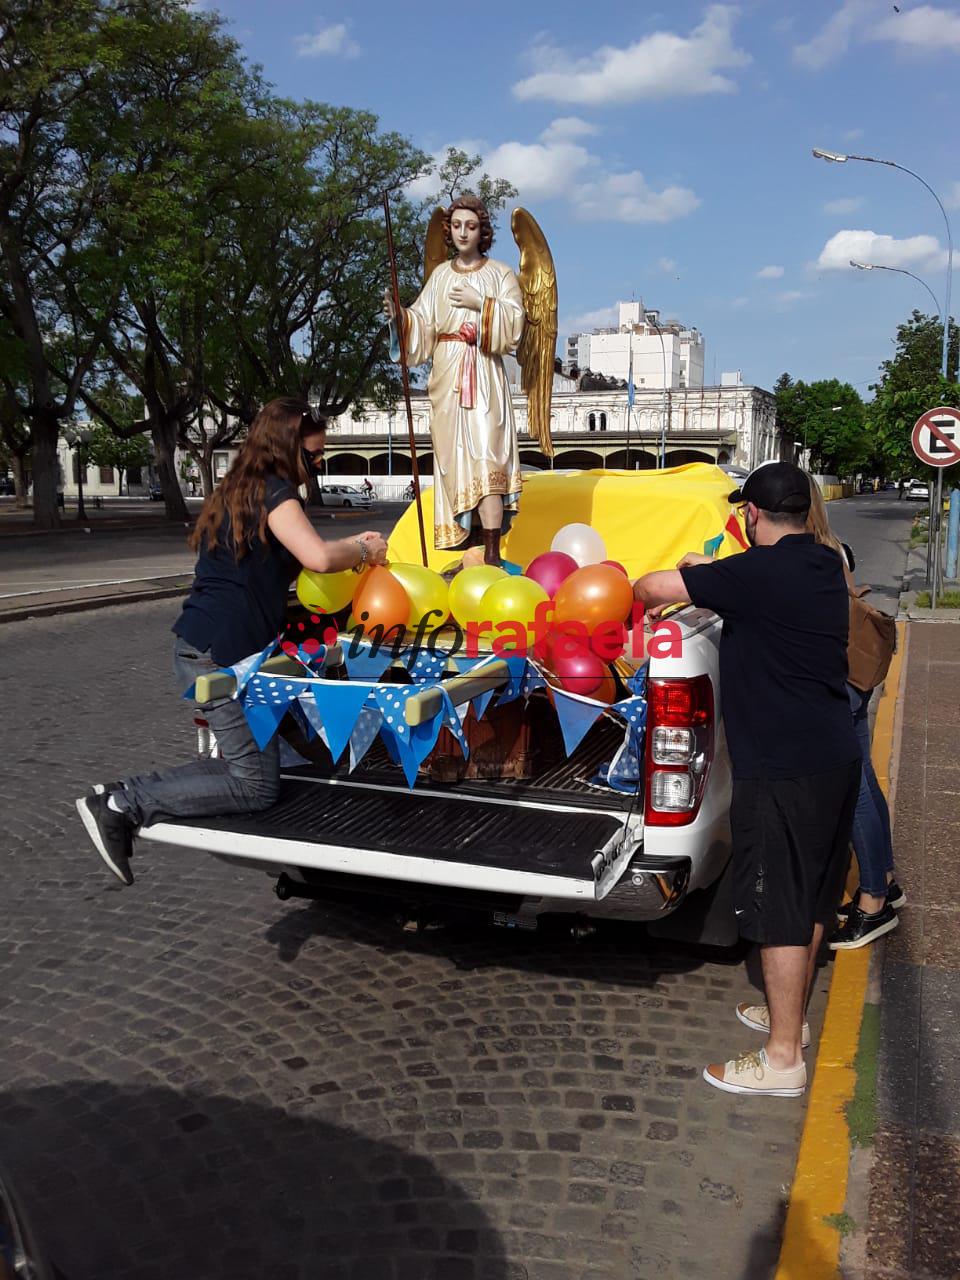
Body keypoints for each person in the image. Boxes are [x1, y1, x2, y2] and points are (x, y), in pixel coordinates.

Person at [76, 396, 388, 887]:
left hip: (238, 651)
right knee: (254, 784)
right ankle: (121, 802)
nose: (318, 464)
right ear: (287, 449)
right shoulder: (274, 492)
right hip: (222, 658)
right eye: (313, 455)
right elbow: (319, 558)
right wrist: (365, 549)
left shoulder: (241, 487)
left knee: (325, 749)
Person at [633, 462, 860, 1098]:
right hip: (833, 755)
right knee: (814, 898)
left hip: (782, 768)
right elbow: (757, 579)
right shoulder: (825, 561)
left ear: (751, 515)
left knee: (781, 907)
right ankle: (793, 1020)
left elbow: (652, 587)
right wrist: (711, 576)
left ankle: (782, 1058)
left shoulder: (751, 575)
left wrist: (684, 576)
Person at [383, 193, 524, 566]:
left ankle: (492, 555)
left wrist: (481, 303)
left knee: (488, 460)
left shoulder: (500, 274)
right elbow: (422, 326)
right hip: (447, 377)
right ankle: (467, 554)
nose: (463, 233)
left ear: (482, 232)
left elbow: (515, 327)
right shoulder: (441, 276)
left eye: (471, 226)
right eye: (457, 225)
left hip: (483, 371)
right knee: (455, 463)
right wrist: (401, 317)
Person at [805, 476, 905, 949]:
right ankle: (884, 879)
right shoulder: (834, 548)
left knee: (855, 790)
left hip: (839, 681)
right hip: (856, 679)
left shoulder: (811, 556)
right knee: (865, 778)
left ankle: (872, 903)